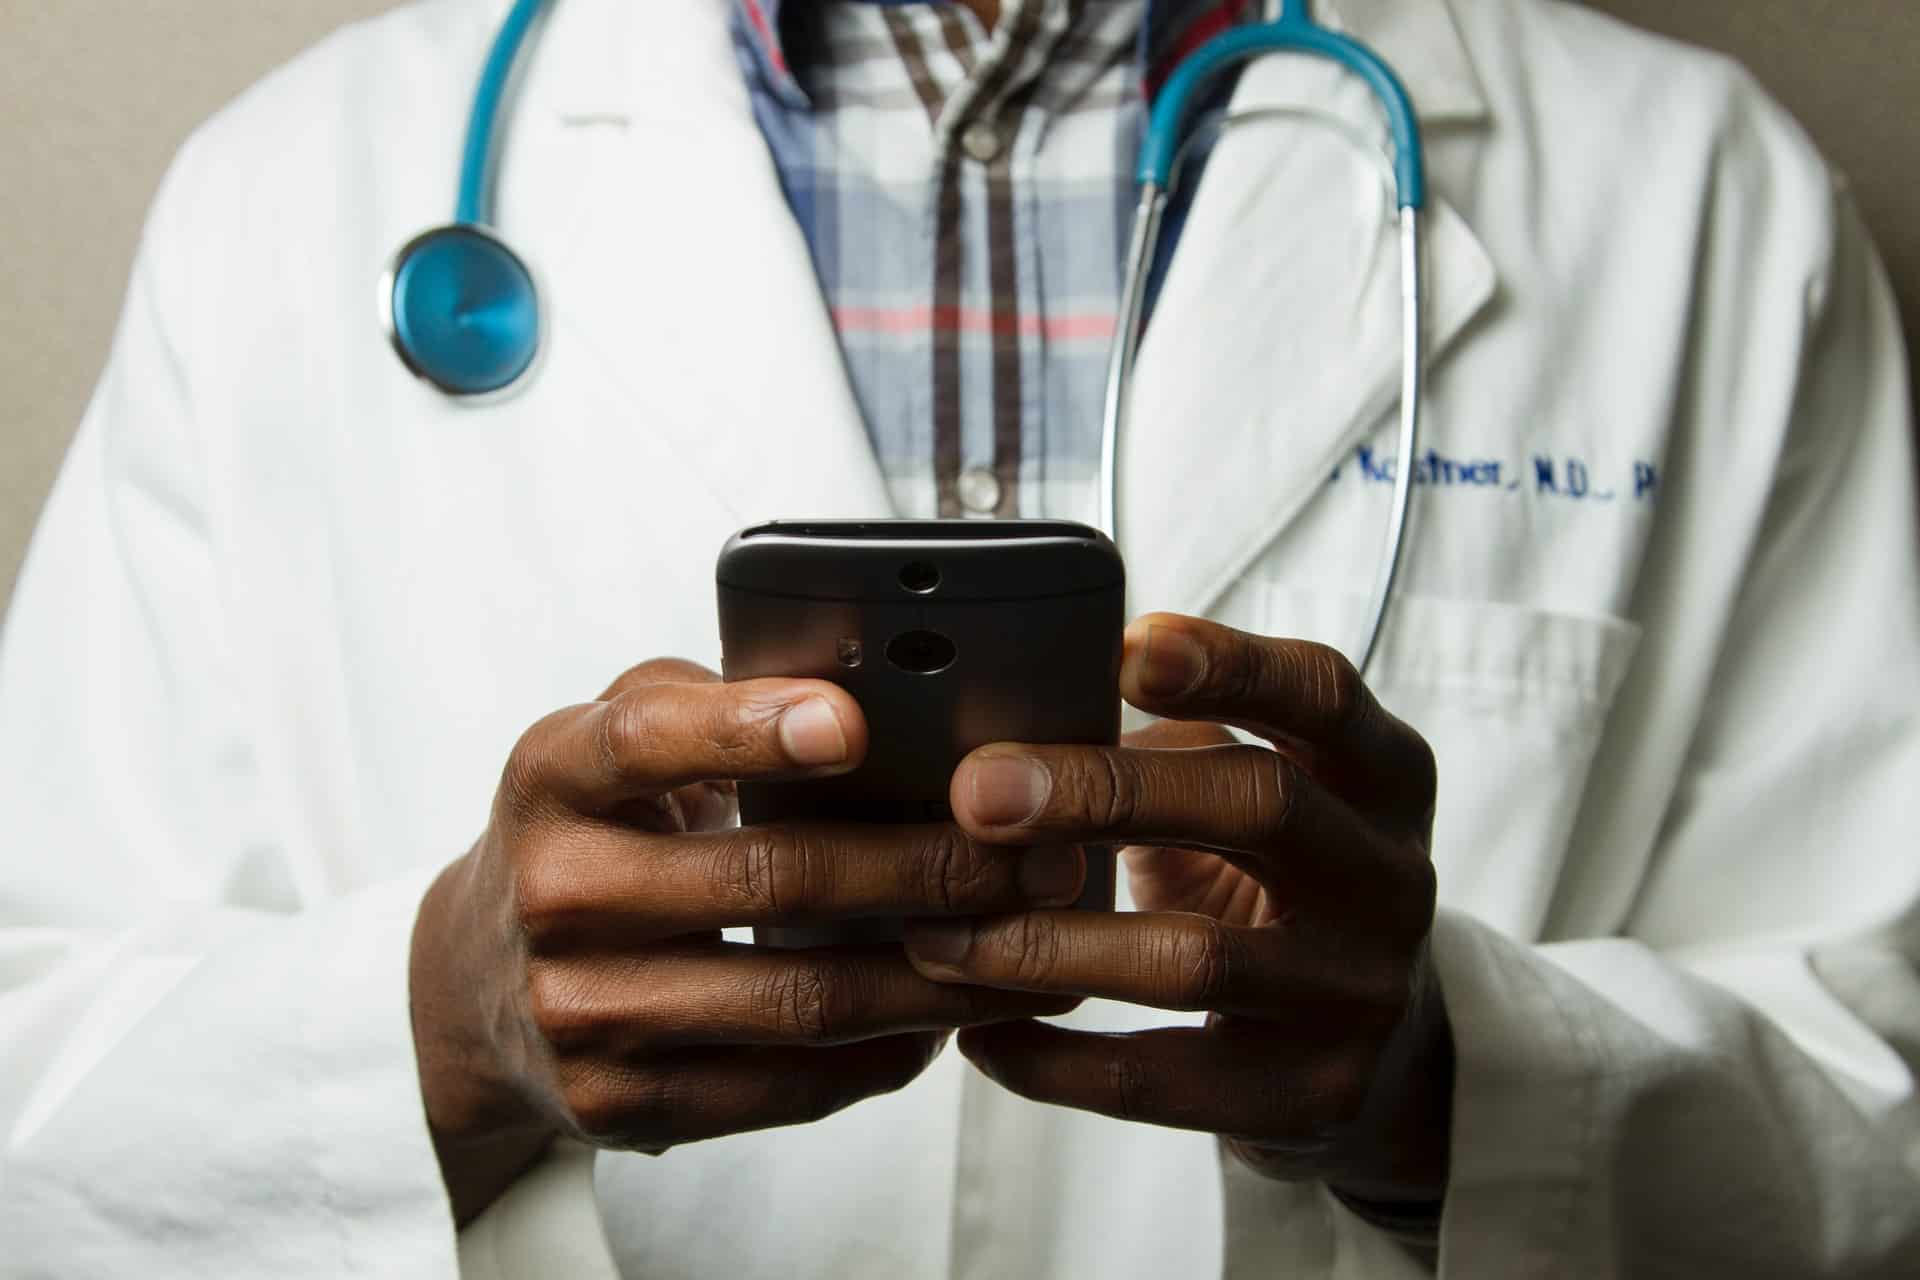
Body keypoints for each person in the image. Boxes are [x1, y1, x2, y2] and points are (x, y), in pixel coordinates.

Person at [2, 0, 1916, 1275]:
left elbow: (1883, 1091)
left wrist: (1452, 1080)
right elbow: (37, 1089)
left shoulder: (1703, 201)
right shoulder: (290, 195)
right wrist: (439, 1026)